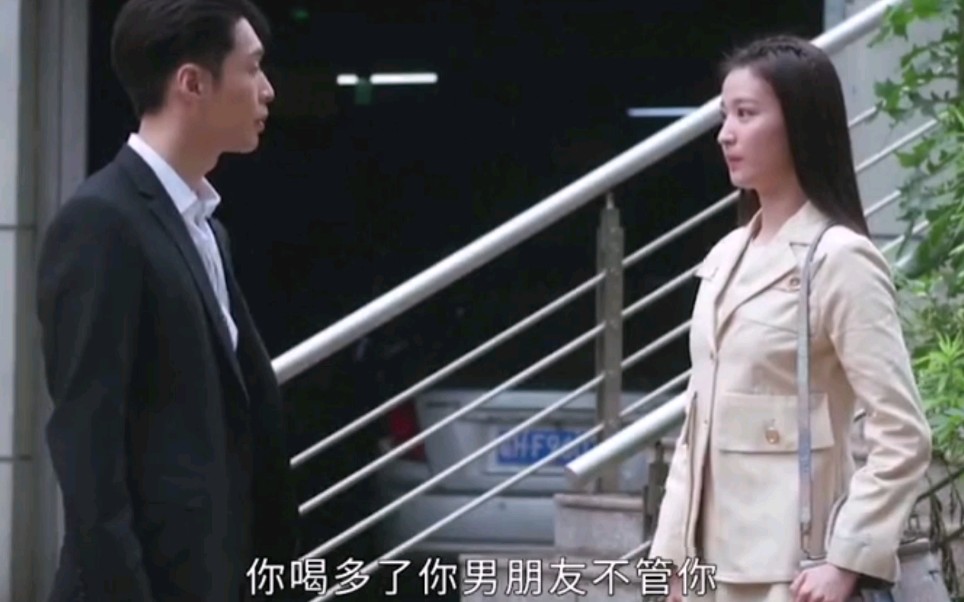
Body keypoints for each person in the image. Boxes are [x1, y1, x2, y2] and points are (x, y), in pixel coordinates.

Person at [648, 36, 933, 602]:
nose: (725, 133)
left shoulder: (840, 259)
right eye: (724, 115)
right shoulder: (727, 257)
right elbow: (696, 427)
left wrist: (846, 561)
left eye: (746, 114)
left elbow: (903, 433)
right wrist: (671, 561)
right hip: (707, 573)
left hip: (793, 574)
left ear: (800, 124)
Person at [35, 0, 299, 600]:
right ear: (192, 84)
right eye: (252, 67)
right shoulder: (102, 223)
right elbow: (89, 453)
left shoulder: (205, 229)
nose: (267, 90)